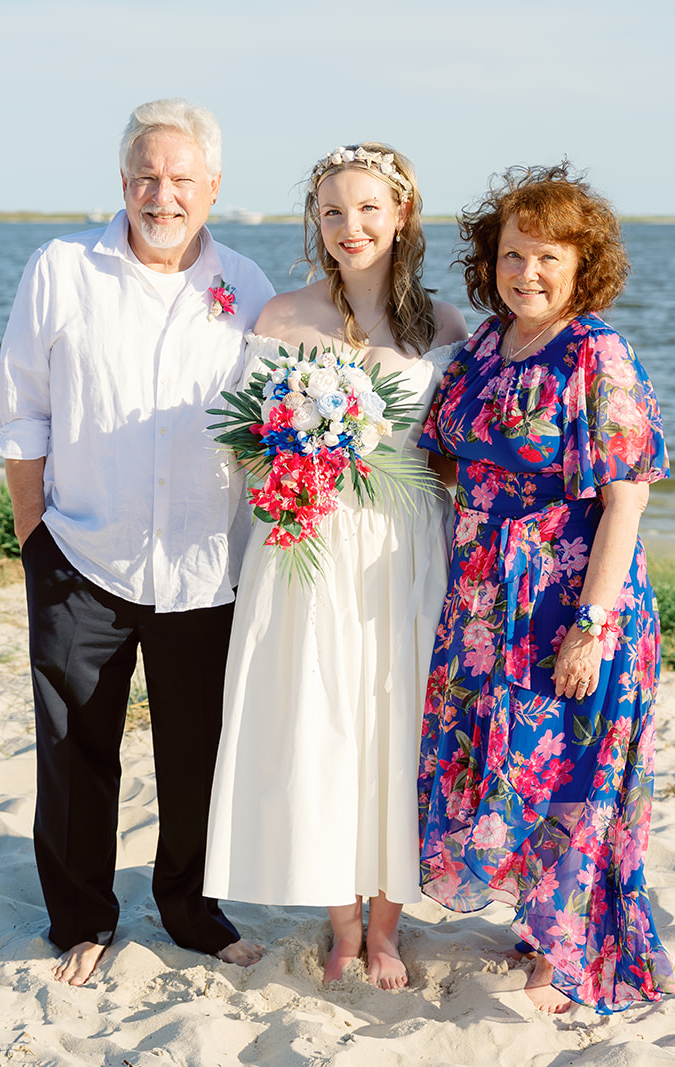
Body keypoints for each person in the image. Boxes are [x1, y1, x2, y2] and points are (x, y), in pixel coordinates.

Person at [0, 98, 275, 986]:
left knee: (198, 750)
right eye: (147, 176)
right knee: (76, 747)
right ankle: (82, 916)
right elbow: (21, 406)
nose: (163, 194)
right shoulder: (61, 268)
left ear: (213, 188)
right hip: (81, 552)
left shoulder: (251, 290)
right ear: (123, 181)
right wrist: (36, 536)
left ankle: (191, 909)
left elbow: (273, 430)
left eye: (181, 178)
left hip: (204, 565)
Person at [415, 163, 675, 1013]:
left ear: (582, 264)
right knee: (508, 757)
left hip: (570, 598)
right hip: (488, 597)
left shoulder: (595, 351)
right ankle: (538, 922)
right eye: (511, 254)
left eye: (546, 257)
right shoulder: (488, 344)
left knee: (568, 763)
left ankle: (561, 958)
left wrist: (593, 622)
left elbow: (627, 496)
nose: (525, 272)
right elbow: (443, 452)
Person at [203, 143, 467, 989]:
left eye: (365, 209)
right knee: (324, 725)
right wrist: (296, 460)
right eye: (331, 212)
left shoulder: (449, 326)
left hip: (405, 546)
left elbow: (460, 456)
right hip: (308, 544)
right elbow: (245, 447)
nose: (349, 227)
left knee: (397, 723)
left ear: (401, 216)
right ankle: (342, 923)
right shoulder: (280, 318)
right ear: (316, 224)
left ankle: (387, 926)